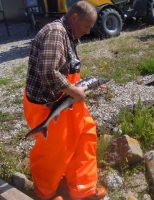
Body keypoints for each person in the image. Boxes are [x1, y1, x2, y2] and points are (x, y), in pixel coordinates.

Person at [23, 1, 107, 199]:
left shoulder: (69, 34)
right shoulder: (56, 33)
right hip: (46, 105)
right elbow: (48, 71)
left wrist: (80, 89)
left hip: (67, 100)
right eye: (87, 26)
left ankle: (83, 190)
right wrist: (72, 90)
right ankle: (46, 194)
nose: (88, 31)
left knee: (85, 137)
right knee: (54, 152)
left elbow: (66, 70)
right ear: (75, 17)